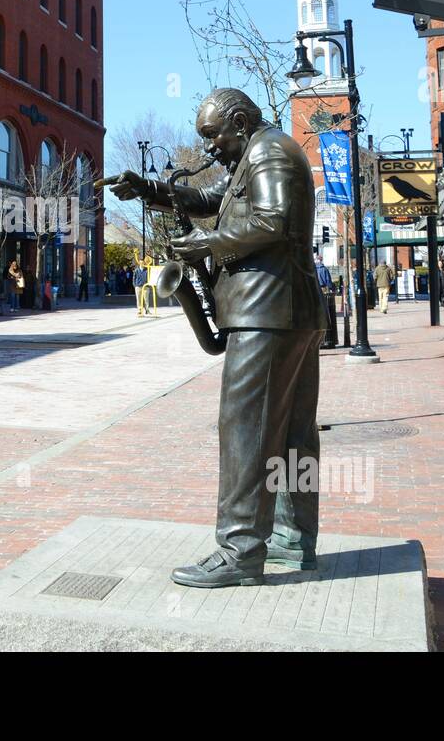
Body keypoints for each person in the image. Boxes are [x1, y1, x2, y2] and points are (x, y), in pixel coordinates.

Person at [112, 88, 326, 588]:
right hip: (286, 311)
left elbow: (273, 221)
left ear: (238, 120)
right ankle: (293, 540)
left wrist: (204, 244)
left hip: (265, 312)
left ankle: (240, 551)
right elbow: (215, 202)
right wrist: (151, 190)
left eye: (213, 135)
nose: (209, 147)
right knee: (293, 434)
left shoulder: (269, 151)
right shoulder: (259, 152)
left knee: (245, 430)